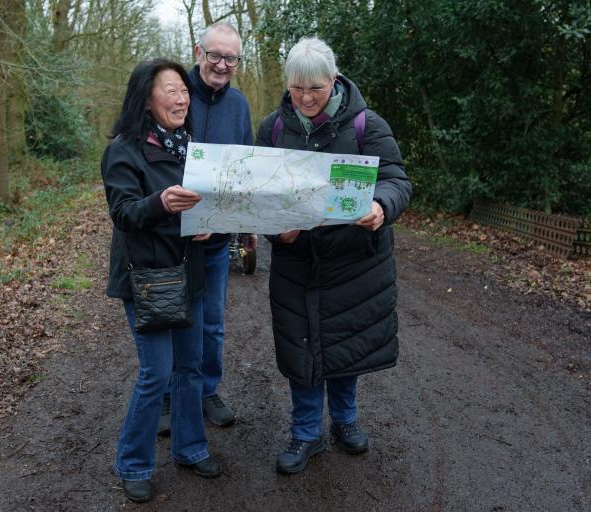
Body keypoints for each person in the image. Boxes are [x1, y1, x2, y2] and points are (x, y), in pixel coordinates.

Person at [255, 38, 412, 475]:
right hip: (297, 261)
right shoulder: (271, 128)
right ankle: (306, 432)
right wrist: (273, 228)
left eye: (316, 89)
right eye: (296, 89)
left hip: (354, 260)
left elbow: (396, 179)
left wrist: (382, 205)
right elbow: (258, 193)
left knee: (347, 342)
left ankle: (345, 421)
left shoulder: (367, 125)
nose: (305, 98)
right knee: (301, 348)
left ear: (334, 81)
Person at [101, 59, 221, 503]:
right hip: (148, 279)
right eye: (170, 90)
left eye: (184, 90)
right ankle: (133, 463)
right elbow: (124, 214)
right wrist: (162, 202)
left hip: (188, 271)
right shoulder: (123, 150)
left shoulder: (190, 146)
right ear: (145, 99)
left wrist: (205, 221)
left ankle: (190, 449)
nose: (182, 97)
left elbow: (198, 206)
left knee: (190, 368)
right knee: (157, 372)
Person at [158, 22, 254, 434]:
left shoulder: (239, 105)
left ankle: (206, 391)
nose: (221, 64)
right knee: (167, 319)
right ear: (199, 52)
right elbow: (154, 160)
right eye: (214, 55)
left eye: (230, 58)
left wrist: (245, 225)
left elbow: (247, 167)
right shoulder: (177, 96)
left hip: (216, 240)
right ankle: (165, 398)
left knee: (211, 323)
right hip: (169, 240)